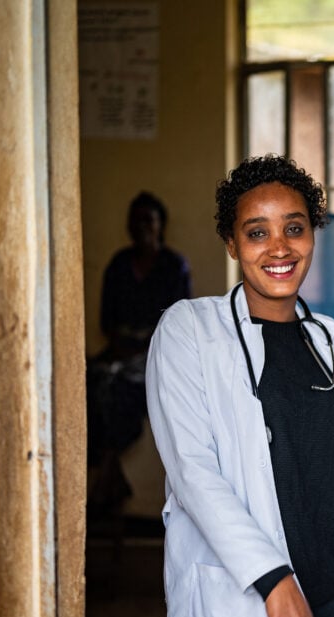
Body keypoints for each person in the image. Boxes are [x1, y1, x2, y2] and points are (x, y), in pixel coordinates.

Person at [145, 155, 334, 617]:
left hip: (331, 593)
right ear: (231, 243)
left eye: (294, 228)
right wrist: (274, 580)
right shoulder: (188, 331)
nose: (279, 248)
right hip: (250, 602)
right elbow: (192, 472)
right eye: (257, 233)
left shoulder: (332, 341)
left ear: (313, 234)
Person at [86, 191, 191, 517]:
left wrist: (143, 345)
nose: (142, 227)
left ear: (161, 226)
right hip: (121, 349)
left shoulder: (174, 266)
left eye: (149, 220)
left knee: (125, 385)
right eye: (136, 220)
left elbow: (176, 322)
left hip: (157, 351)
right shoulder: (119, 264)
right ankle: (108, 469)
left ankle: (107, 473)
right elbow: (107, 321)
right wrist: (124, 345)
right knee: (91, 379)